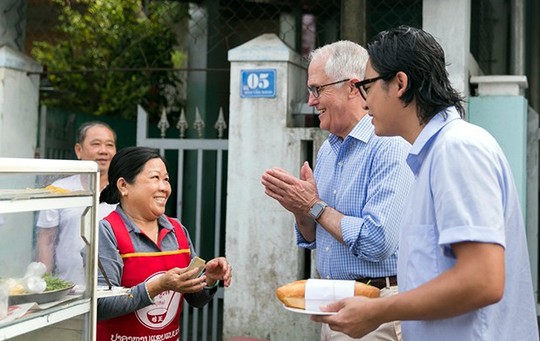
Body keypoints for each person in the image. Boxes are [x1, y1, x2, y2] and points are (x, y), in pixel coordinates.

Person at [313, 26, 539, 341]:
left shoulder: (457, 149)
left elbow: (483, 280)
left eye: (367, 86)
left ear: (400, 84)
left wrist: (377, 310)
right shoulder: (431, 155)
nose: (364, 103)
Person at [261, 40, 413, 341]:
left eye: (317, 89)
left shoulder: (390, 146)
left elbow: (378, 241)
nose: (310, 101)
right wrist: (302, 211)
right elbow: (315, 237)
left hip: (376, 307)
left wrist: (314, 206)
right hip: (331, 306)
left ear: (352, 87)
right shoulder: (330, 149)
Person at [97, 146, 232, 341]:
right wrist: (158, 286)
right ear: (123, 186)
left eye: (166, 179)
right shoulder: (107, 231)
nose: (164, 187)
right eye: (154, 178)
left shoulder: (177, 231)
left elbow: (196, 299)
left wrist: (209, 279)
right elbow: (101, 306)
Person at [35, 121, 117, 288]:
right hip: (69, 288)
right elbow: (46, 240)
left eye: (109, 145)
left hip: (114, 289)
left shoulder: (125, 191)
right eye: (96, 144)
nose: (104, 151)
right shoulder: (59, 190)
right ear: (79, 150)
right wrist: (45, 284)